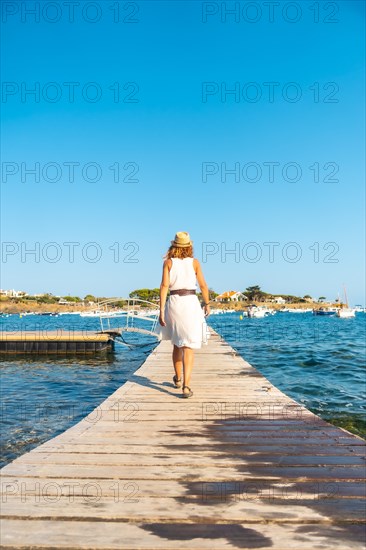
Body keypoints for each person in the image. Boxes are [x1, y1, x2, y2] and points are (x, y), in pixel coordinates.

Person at [158, 231, 210, 398]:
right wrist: (207, 303)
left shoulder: (168, 263)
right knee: (188, 346)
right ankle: (186, 386)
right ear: (189, 247)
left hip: (174, 303)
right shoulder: (194, 263)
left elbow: (164, 286)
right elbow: (203, 285)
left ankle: (178, 378)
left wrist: (161, 311)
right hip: (191, 302)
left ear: (174, 246)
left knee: (176, 343)